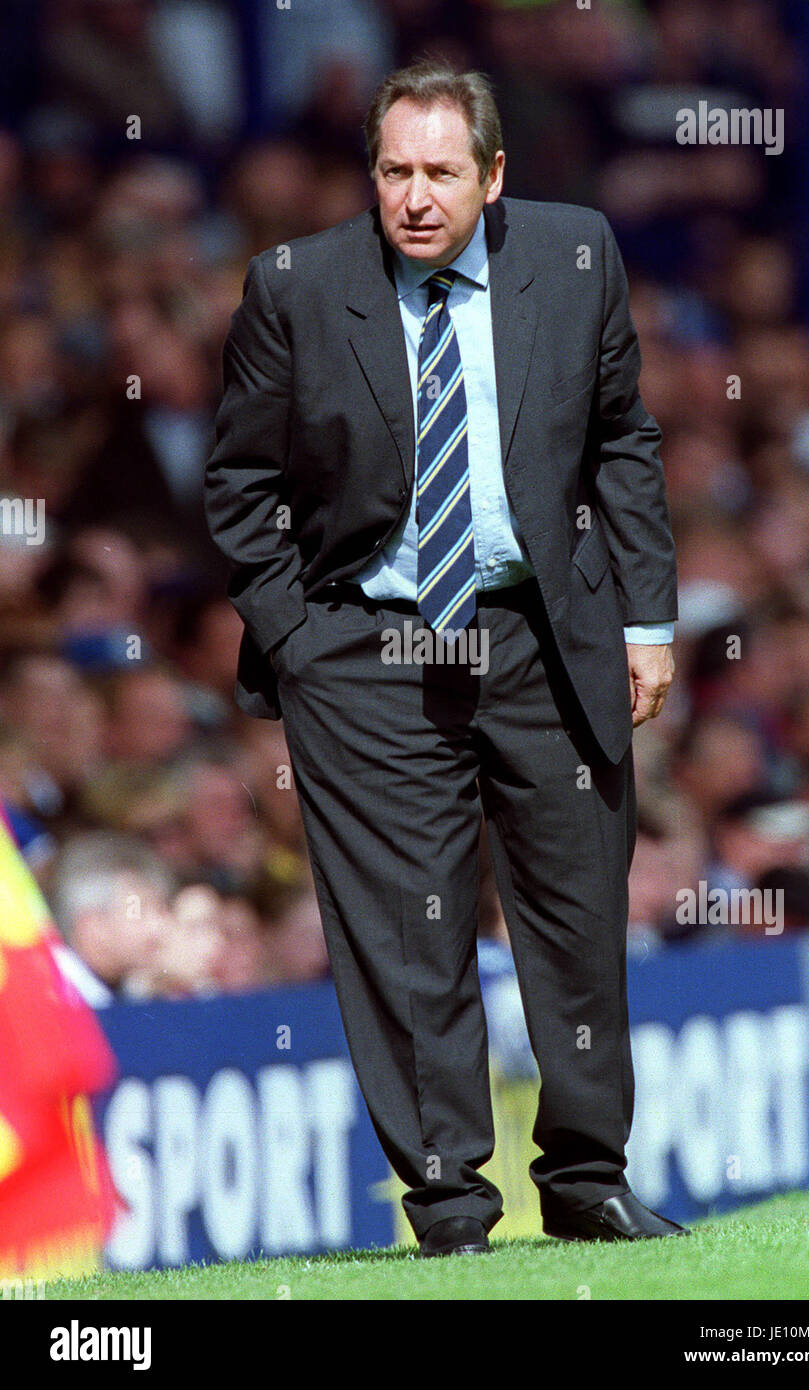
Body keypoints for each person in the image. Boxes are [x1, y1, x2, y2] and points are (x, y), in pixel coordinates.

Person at [205, 59, 684, 1255]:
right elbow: (239, 480)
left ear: (495, 175)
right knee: (402, 936)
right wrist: (302, 643)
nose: (414, 197)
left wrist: (646, 619)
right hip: (366, 650)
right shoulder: (298, 287)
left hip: (542, 634)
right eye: (392, 171)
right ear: (369, 174)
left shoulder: (574, 258)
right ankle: (451, 1210)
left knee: (574, 916)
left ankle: (584, 1180)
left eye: (440, 173)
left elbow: (622, 441)